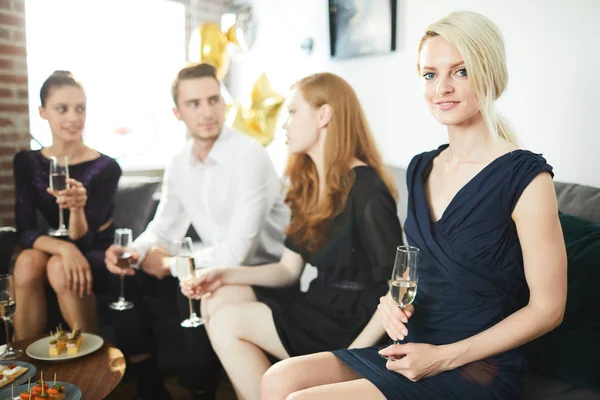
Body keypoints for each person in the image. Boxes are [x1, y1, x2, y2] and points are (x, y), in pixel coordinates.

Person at [260, 11, 568, 400]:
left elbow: (548, 309)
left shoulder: (527, 177)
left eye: (460, 71)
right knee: (278, 379)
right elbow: (412, 276)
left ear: (489, 74)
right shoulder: (420, 168)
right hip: (410, 348)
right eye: (429, 74)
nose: (443, 88)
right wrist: (388, 306)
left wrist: (443, 357)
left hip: (475, 367)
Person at [181, 72, 404, 400]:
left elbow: (396, 287)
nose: (284, 124)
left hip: (354, 321)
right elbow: (288, 270)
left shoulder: (367, 187)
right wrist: (222, 274)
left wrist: (355, 353)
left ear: (324, 115)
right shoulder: (311, 185)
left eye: (292, 112)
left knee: (228, 322)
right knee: (222, 294)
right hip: (317, 305)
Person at [103, 63, 289, 400]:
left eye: (213, 100)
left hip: (263, 274)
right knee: (127, 278)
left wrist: (171, 264)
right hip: (213, 265)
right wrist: (136, 252)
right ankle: (150, 385)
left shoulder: (250, 157)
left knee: (194, 287)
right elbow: (164, 224)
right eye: (194, 104)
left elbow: (238, 252)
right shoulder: (179, 163)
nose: (207, 112)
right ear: (177, 112)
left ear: (223, 103)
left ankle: (201, 390)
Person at [13, 70, 121, 339]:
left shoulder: (106, 167)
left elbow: (85, 242)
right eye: (62, 109)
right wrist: (63, 248)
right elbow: (24, 231)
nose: (74, 118)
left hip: (96, 249)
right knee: (27, 261)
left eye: (80, 108)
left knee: (59, 267)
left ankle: (93, 363)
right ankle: (23, 365)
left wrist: (76, 210)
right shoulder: (27, 162)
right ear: (43, 112)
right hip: (58, 245)